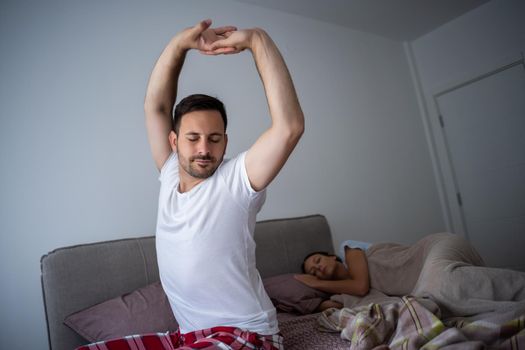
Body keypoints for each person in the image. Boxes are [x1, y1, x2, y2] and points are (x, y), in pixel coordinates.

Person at [144, 19, 304, 349]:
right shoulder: (170, 172)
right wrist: (179, 45)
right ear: (174, 141)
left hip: (248, 334)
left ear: (226, 143)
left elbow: (289, 126)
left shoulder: (236, 181)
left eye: (214, 139)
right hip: (190, 337)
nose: (204, 149)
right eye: (193, 138)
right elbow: (156, 107)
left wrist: (258, 40)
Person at [296, 234, 525, 318]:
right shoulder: (342, 290)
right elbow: (350, 300)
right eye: (313, 271)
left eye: (317, 261)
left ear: (330, 256)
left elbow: (360, 286)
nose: (317, 269)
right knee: (441, 304)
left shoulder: (350, 251)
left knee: (444, 286)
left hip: (431, 251)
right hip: (425, 282)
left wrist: (316, 282)